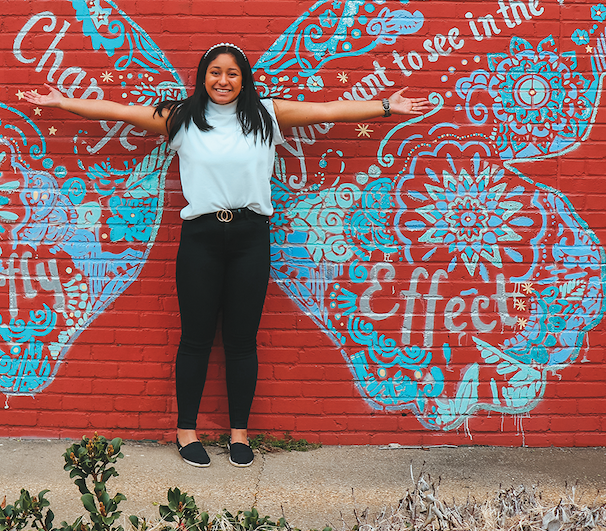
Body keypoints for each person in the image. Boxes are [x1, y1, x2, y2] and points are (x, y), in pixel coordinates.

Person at [22, 43, 427, 468]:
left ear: (243, 79)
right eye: (215, 72)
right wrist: (60, 101)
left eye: (232, 73)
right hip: (201, 238)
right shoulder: (181, 117)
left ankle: (239, 434)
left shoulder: (266, 114)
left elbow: (327, 110)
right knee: (196, 338)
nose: (222, 81)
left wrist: (386, 106)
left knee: (241, 341)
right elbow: (117, 110)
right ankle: (186, 432)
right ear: (202, 76)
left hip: (251, 236)